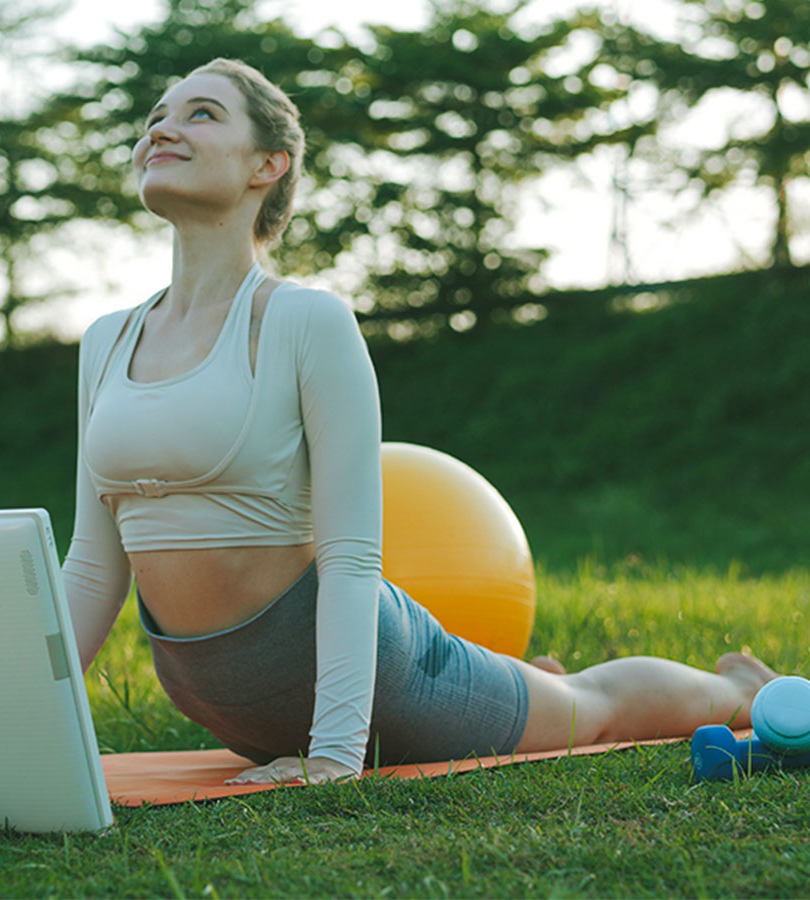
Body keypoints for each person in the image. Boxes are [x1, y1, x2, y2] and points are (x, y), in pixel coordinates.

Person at [60, 57, 777, 786]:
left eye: (200, 113)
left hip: (376, 680)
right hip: (211, 692)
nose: (162, 129)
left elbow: (349, 556)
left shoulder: (307, 320)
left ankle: (742, 689)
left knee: (584, 707)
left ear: (267, 165)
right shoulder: (107, 340)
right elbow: (92, 567)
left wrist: (337, 753)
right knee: (532, 693)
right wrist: (18, 724)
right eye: (156, 117)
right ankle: (512, 682)